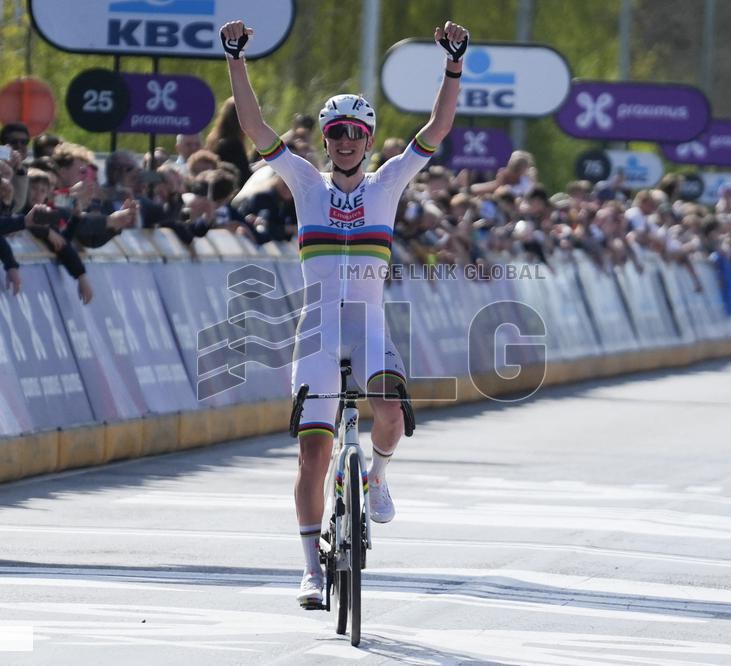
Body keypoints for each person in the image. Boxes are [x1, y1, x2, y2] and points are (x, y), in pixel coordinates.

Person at [221, 16, 469, 608]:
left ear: (368, 138)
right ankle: (310, 571)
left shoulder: (388, 183)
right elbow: (254, 126)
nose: (347, 140)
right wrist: (235, 58)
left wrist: (453, 66)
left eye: (357, 132)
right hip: (317, 333)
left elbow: (437, 128)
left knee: (391, 414)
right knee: (312, 454)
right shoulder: (306, 183)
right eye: (337, 132)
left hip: (369, 328)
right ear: (327, 140)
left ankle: (377, 477)